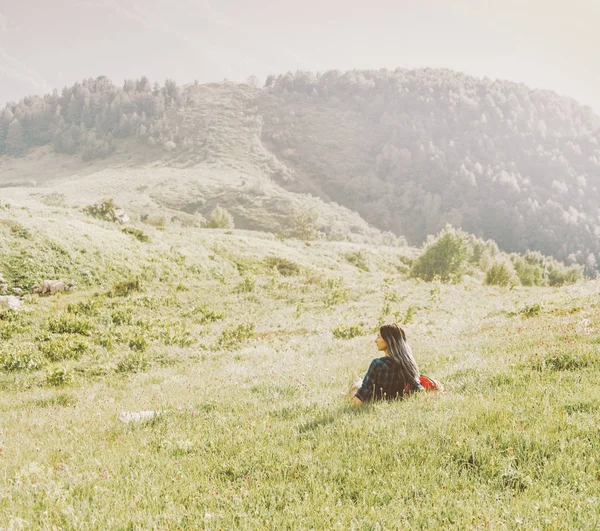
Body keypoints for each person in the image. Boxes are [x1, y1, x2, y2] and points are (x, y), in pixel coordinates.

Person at [350, 323, 423, 407]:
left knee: (356, 384)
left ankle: (345, 397)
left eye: (379, 337)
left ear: (388, 341)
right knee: (358, 383)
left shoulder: (378, 364)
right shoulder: (407, 363)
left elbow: (359, 398)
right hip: (394, 404)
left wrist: (349, 404)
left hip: (373, 404)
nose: (375, 340)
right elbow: (419, 389)